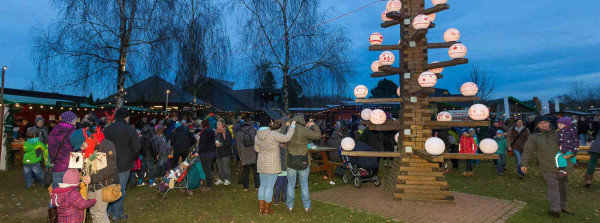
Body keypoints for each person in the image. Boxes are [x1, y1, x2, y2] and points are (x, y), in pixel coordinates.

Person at [521, 116, 575, 218]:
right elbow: (527, 151)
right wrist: (524, 164)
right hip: (547, 166)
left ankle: (563, 206)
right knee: (553, 186)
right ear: (537, 125)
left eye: (545, 122)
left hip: (562, 165)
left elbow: (571, 142)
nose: (544, 124)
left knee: (562, 187)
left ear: (549, 122)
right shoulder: (534, 137)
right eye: (541, 123)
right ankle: (555, 208)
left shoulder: (559, 133)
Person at [70, 128, 118, 223]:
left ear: (86, 139)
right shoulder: (84, 149)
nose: (81, 149)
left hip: (104, 184)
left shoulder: (106, 145)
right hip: (91, 185)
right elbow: (79, 166)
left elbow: (111, 167)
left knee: (99, 214)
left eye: (81, 145)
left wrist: (92, 178)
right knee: (93, 212)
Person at [103, 108, 142, 221]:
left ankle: (108, 211)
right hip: (124, 164)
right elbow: (137, 147)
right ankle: (117, 214)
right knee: (120, 189)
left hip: (108, 163)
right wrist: (132, 156)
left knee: (109, 187)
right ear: (126, 117)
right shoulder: (129, 130)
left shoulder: (107, 129)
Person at [255, 115, 296, 215]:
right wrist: (293, 126)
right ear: (270, 123)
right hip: (272, 163)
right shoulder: (273, 134)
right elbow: (286, 138)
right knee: (269, 186)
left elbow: (257, 149)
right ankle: (267, 210)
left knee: (262, 186)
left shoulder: (257, 135)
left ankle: (261, 209)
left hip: (261, 163)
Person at [286, 113, 321, 213]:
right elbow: (318, 135)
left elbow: (281, 134)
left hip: (291, 160)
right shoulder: (305, 130)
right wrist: (314, 125)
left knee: (291, 184)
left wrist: (286, 124)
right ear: (303, 119)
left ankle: (289, 206)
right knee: (304, 184)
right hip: (303, 160)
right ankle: (306, 206)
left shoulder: (290, 129)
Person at [48, 111, 78, 188]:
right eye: (75, 119)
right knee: (69, 193)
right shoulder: (72, 132)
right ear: (72, 120)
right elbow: (76, 148)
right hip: (69, 167)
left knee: (57, 193)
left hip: (56, 165)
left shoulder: (53, 131)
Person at [237, 121, 259, 191]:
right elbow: (257, 141)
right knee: (255, 171)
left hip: (244, 153)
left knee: (245, 171)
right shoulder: (254, 130)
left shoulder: (238, 133)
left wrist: (240, 155)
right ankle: (257, 186)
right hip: (253, 152)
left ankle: (245, 187)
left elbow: (238, 145)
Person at [194, 120, 216, 191]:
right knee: (208, 169)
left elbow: (203, 144)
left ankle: (209, 185)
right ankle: (210, 183)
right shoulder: (211, 131)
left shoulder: (204, 132)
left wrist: (199, 152)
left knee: (207, 169)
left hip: (205, 153)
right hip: (211, 152)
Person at [215, 120, 233, 186]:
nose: (217, 126)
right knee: (219, 167)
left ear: (223, 125)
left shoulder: (226, 132)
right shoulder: (217, 132)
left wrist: (221, 144)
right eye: (217, 124)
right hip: (218, 152)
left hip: (226, 152)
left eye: (219, 124)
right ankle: (221, 179)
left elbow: (229, 143)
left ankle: (227, 179)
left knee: (225, 167)